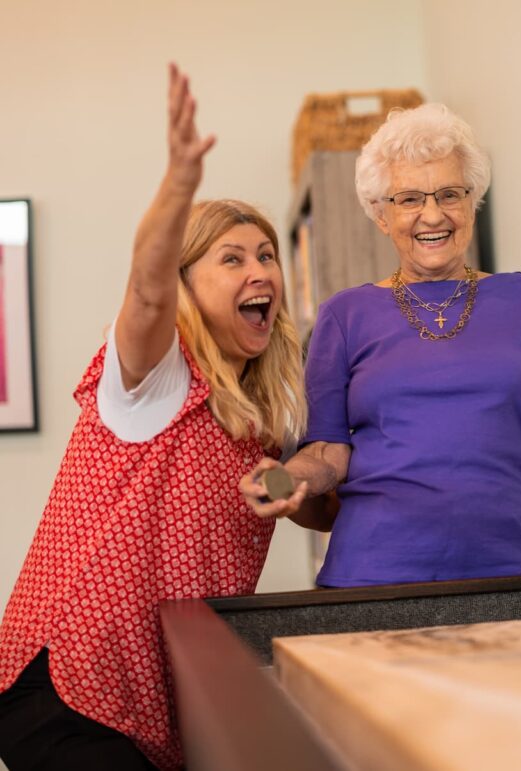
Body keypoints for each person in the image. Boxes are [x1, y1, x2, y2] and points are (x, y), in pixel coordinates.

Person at [240, 102, 521, 588]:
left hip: (519, 570)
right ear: (380, 215)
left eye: (449, 194)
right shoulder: (344, 316)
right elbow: (328, 452)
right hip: (376, 576)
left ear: (471, 201)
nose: (432, 214)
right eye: (409, 199)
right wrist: (287, 480)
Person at [0, 64, 306, 770]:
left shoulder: (252, 422)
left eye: (266, 255)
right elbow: (143, 294)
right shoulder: (157, 380)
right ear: (188, 290)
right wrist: (178, 185)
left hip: (142, 713)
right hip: (67, 696)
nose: (259, 270)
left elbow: (312, 500)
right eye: (231, 258)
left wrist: (300, 488)